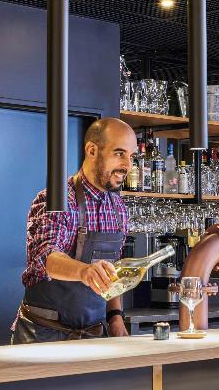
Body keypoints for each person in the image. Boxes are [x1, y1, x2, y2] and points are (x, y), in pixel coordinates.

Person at [11, 117, 138, 343]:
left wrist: (115, 317)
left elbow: (113, 273)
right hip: (42, 336)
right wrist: (85, 271)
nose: (127, 165)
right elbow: (46, 257)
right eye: (119, 153)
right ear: (92, 150)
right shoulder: (58, 199)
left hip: (93, 335)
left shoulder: (118, 208)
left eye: (132, 156)